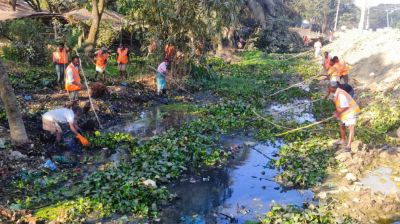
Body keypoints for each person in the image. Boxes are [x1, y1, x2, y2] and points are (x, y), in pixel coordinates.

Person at [328, 84, 360, 151]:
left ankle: (348, 146)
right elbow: (339, 105)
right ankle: (343, 140)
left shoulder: (341, 95)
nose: (328, 90)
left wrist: (337, 114)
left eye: (328, 88)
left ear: (332, 88)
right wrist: (336, 112)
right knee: (341, 124)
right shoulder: (337, 93)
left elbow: (345, 106)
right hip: (345, 112)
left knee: (351, 128)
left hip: (351, 112)